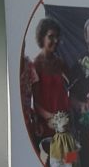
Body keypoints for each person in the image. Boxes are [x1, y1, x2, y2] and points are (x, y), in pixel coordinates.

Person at [23, 15, 71, 143]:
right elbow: (35, 102)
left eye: (57, 37)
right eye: (51, 36)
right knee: (51, 154)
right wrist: (51, 118)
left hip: (64, 123)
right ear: (42, 38)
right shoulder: (35, 65)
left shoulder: (60, 63)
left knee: (69, 153)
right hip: (47, 125)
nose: (55, 40)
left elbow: (70, 88)